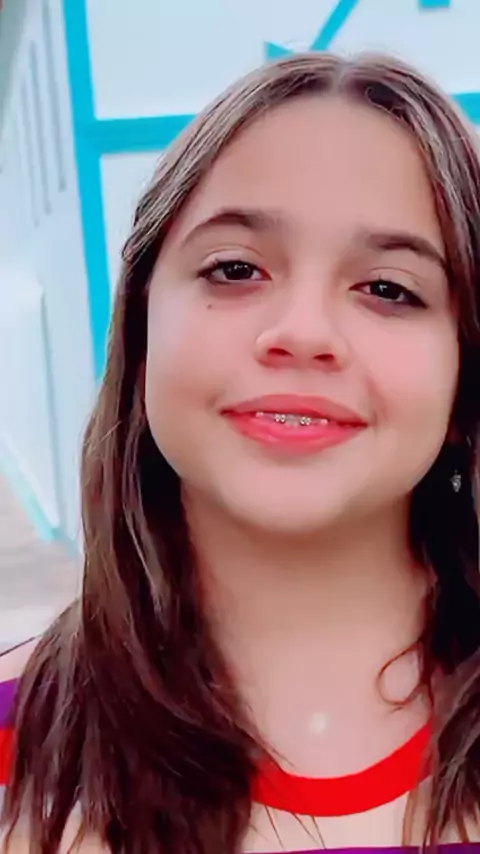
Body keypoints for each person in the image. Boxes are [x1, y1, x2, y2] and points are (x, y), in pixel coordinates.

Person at [1, 49, 480, 853]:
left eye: (389, 288)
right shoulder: (15, 748)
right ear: (142, 332)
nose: (303, 332)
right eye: (235, 269)